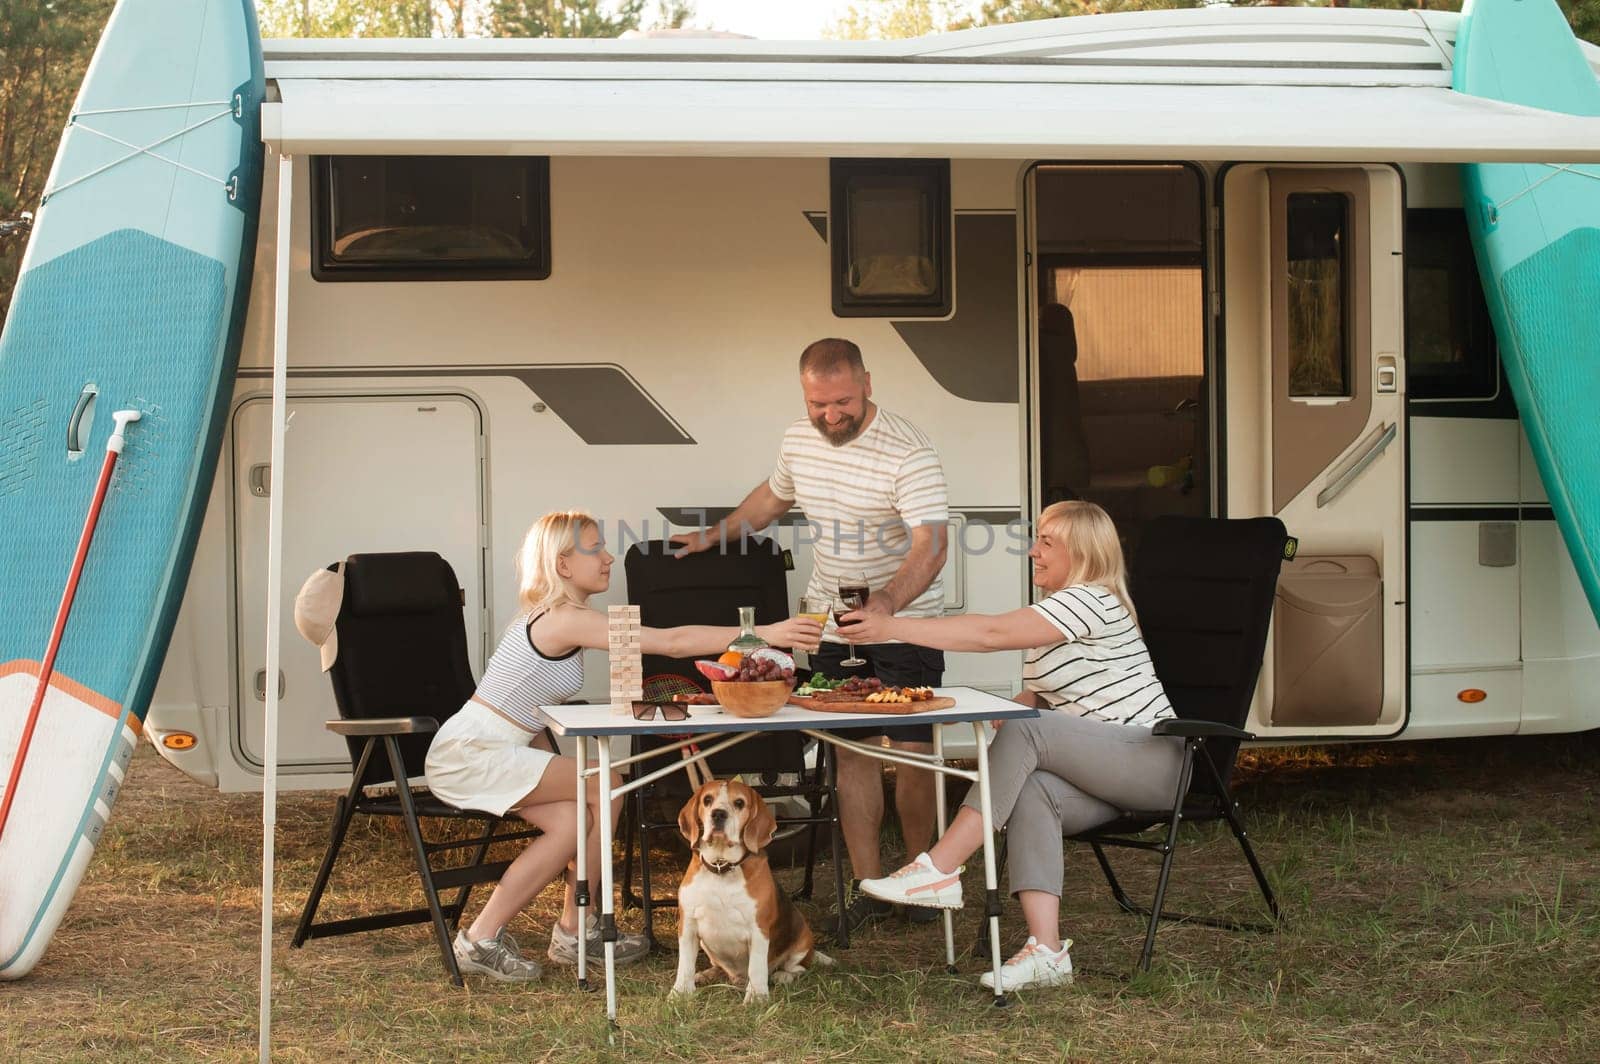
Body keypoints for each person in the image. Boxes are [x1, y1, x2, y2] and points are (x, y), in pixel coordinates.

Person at [425, 509, 822, 981]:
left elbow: (526, 710)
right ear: (564, 564)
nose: (609, 557)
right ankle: (543, 933)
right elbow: (670, 642)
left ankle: (545, 931)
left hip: (493, 750)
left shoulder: (560, 616)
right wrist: (762, 635)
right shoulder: (562, 619)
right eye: (595, 548)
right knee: (607, 784)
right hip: (471, 753)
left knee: (579, 816)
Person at [837, 500, 1180, 991]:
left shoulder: (1090, 598)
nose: (1032, 552)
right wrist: (1025, 696)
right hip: (1109, 771)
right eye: (1036, 539)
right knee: (1035, 788)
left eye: (1047, 542)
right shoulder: (1059, 610)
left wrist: (891, 626)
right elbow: (1063, 687)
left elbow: (990, 633)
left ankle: (939, 868)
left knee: (1026, 727)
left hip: (1157, 763)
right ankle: (1047, 951)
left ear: (1081, 553)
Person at [672, 338, 950, 934]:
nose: (830, 415)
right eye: (818, 403)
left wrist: (886, 605)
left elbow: (932, 545)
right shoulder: (800, 438)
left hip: (905, 621)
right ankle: (871, 887)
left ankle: (919, 880)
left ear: (868, 384)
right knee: (851, 750)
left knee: (912, 752)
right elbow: (773, 498)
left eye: (843, 402)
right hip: (830, 622)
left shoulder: (910, 451)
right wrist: (713, 535)